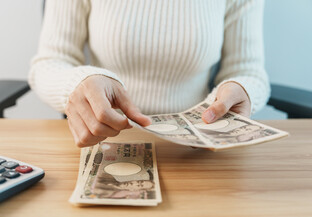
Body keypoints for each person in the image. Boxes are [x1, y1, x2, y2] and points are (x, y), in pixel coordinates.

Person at [29, 0, 270, 147]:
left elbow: (248, 71)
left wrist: (242, 89)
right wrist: (77, 83)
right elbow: (50, 63)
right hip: (104, 141)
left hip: (195, 151)